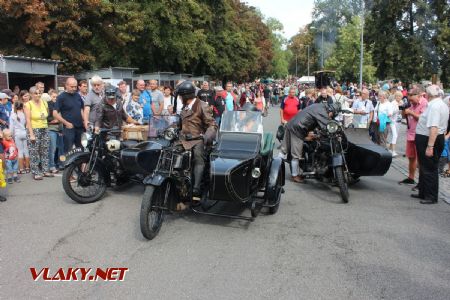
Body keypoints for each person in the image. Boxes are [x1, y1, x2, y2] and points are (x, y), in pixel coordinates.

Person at [176, 81, 217, 205]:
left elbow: (212, 125)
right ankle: (175, 183)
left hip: (197, 139)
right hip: (183, 139)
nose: (179, 98)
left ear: (185, 96)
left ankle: (196, 189)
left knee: (198, 156)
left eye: (180, 96)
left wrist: (206, 137)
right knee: (167, 153)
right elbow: (181, 124)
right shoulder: (185, 107)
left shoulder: (202, 105)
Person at [279, 102, 338, 183]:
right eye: (332, 115)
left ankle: (275, 168)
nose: (331, 117)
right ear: (331, 112)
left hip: (291, 124)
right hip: (298, 129)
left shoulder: (319, 106)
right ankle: (295, 175)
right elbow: (326, 126)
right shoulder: (323, 112)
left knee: (283, 150)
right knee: (296, 155)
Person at [412, 85, 449, 204]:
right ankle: (423, 192)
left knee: (429, 168)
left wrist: (430, 146)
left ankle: (431, 196)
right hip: (431, 138)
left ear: (428, 95)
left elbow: (434, 127)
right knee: (424, 166)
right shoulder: (440, 104)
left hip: (429, 139)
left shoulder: (434, 106)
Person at [398, 88, 428, 185]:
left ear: (418, 95)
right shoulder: (411, 103)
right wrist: (404, 111)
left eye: (411, 97)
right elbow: (403, 116)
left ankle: (421, 182)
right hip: (411, 133)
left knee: (420, 160)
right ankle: (411, 178)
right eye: (409, 97)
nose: (410, 100)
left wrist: (410, 112)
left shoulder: (424, 103)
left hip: (420, 134)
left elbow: (423, 119)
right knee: (411, 157)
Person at [24, 86, 52, 180]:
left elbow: (47, 115)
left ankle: (45, 170)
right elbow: (28, 120)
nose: (38, 95)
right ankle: (36, 172)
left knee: (45, 150)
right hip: (34, 129)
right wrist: (31, 134)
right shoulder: (28, 104)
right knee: (34, 152)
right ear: (31, 95)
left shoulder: (44, 102)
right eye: (36, 93)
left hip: (44, 128)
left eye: (39, 93)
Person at [53, 77, 85, 153]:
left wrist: (84, 120)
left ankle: (81, 164)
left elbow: (81, 109)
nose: (74, 88)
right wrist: (66, 123)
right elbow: (55, 113)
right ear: (66, 85)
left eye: (75, 86)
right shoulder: (61, 97)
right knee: (68, 150)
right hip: (69, 128)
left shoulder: (77, 95)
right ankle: (67, 165)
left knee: (81, 149)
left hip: (80, 127)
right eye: (72, 87)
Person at [9, 101, 30, 173]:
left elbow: (11, 128)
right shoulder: (24, 114)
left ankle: (21, 169)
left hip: (17, 134)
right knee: (26, 151)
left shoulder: (13, 115)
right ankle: (27, 168)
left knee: (20, 151)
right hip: (25, 132)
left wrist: (11, 135)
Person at [47, 90, 62, 173]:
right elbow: (47, 118)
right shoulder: (48, 105)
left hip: (60, 129)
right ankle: (51, 166)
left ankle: (58, 164)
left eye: (56, 97)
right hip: (51, 129)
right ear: (50, 97)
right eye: (53, 97)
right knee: (52, 149)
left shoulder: (59, 104)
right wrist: (55, 120)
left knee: (59, 149)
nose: (55, 98)